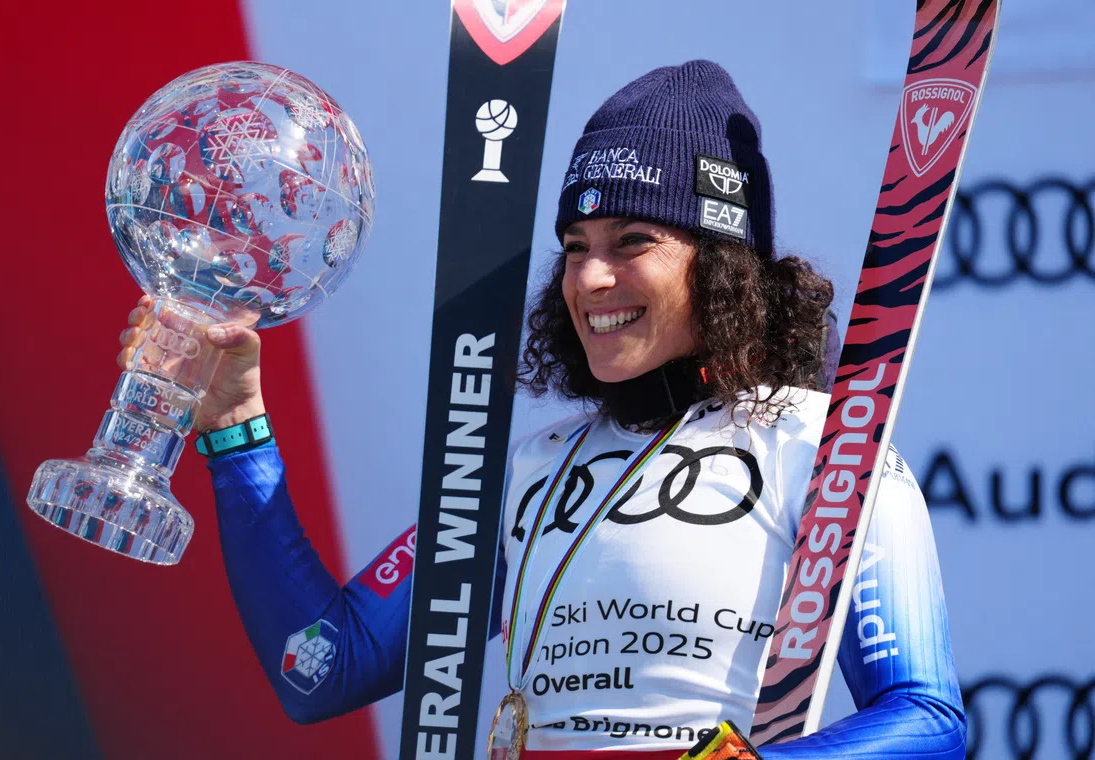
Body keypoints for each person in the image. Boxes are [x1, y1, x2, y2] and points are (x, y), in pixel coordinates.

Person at [119, 61, 965, 758]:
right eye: (573, 249)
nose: (591, 280)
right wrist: (236, 430)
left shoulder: (827, 445)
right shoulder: (532, 466)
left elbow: (927, 718)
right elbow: (319, 669)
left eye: (634, 241)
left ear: (722, 268)